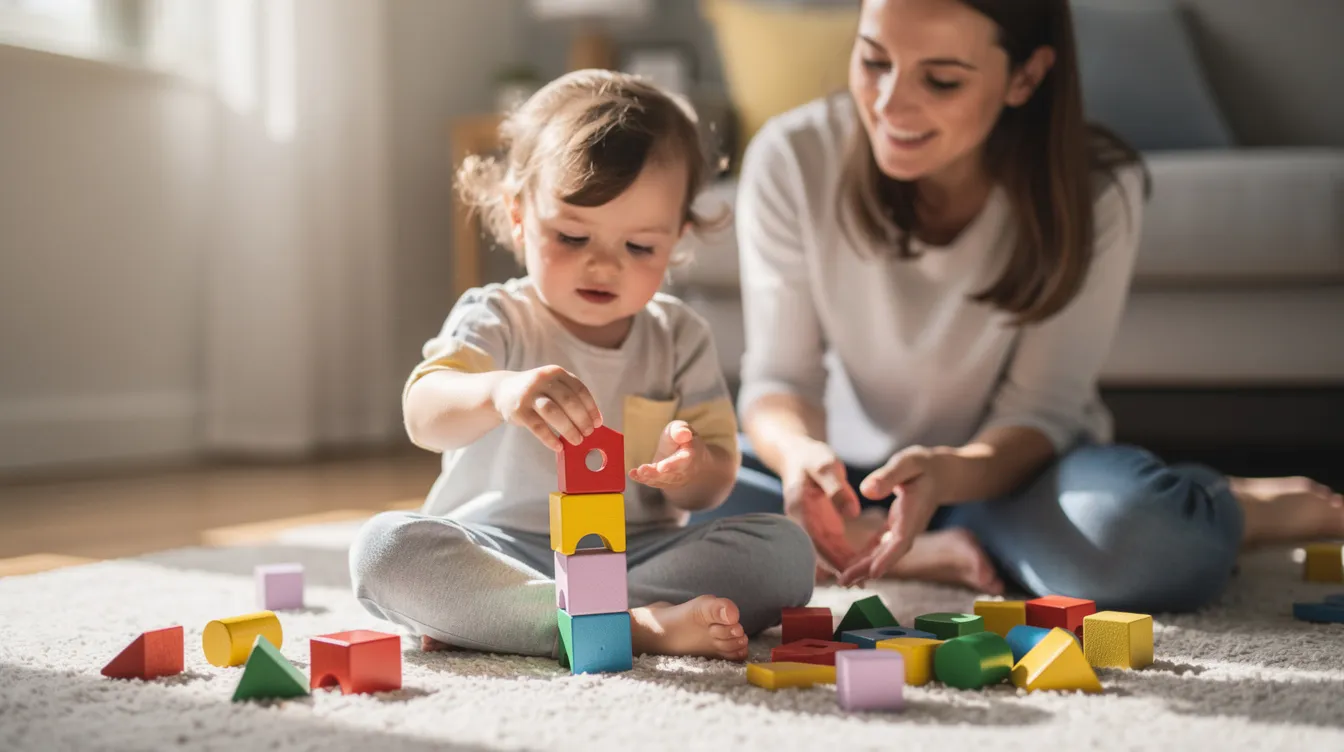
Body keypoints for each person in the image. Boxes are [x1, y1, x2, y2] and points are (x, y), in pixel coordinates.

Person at [693, 0, 1342, 613]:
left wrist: (947, 476)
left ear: (1026, 76)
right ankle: (907, 547)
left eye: (941, 80)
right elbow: (780, 379)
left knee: (1148, 544)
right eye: (874, 61)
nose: (889, 103)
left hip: (1010, 477)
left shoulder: (1094, 190)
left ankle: (1233, 504)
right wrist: (801, 454)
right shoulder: (792, 156)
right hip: (847, 476)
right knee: (650, 512)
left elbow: (1040, 413)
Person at [349, 70, 815, 662]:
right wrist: (497, 392)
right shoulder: (497, 316)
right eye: (572, 236)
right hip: (500, 550)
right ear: (518, 216)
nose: (603, 266)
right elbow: (424, 414)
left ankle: (524, 619)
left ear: (677, 240)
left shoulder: (679, 336)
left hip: (635, 552)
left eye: (640, 247)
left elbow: (716, 480)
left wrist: (692, 464)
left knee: (784, 551)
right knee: (384, 550)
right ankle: (632, 625)